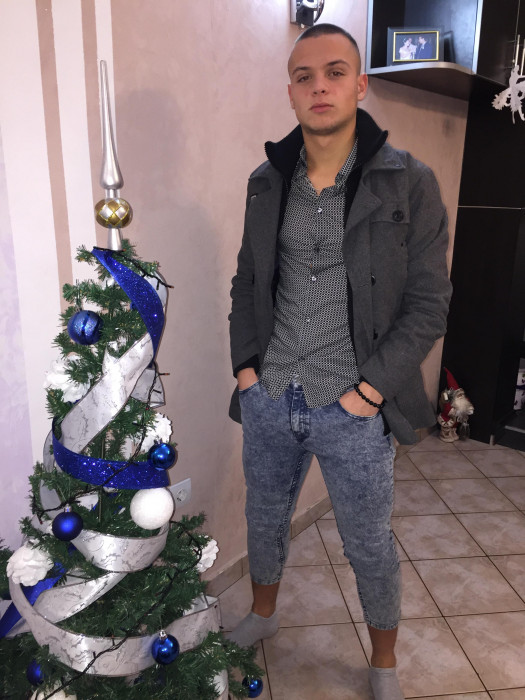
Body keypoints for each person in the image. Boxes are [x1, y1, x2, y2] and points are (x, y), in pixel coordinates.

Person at [228, 23, 451, 700]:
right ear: (291, 92)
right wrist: (246, 368)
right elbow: (247, 281)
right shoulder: (266, 182)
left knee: (367, 542)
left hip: (353, 405)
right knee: (264, 519)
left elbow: (428, 305)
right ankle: (263, 614)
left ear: (359, 85)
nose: (318, 86)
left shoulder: (408, 182)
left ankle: (382, 661)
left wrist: (370, 391)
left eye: (334, 73)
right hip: (272, 393)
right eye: (304, 76)